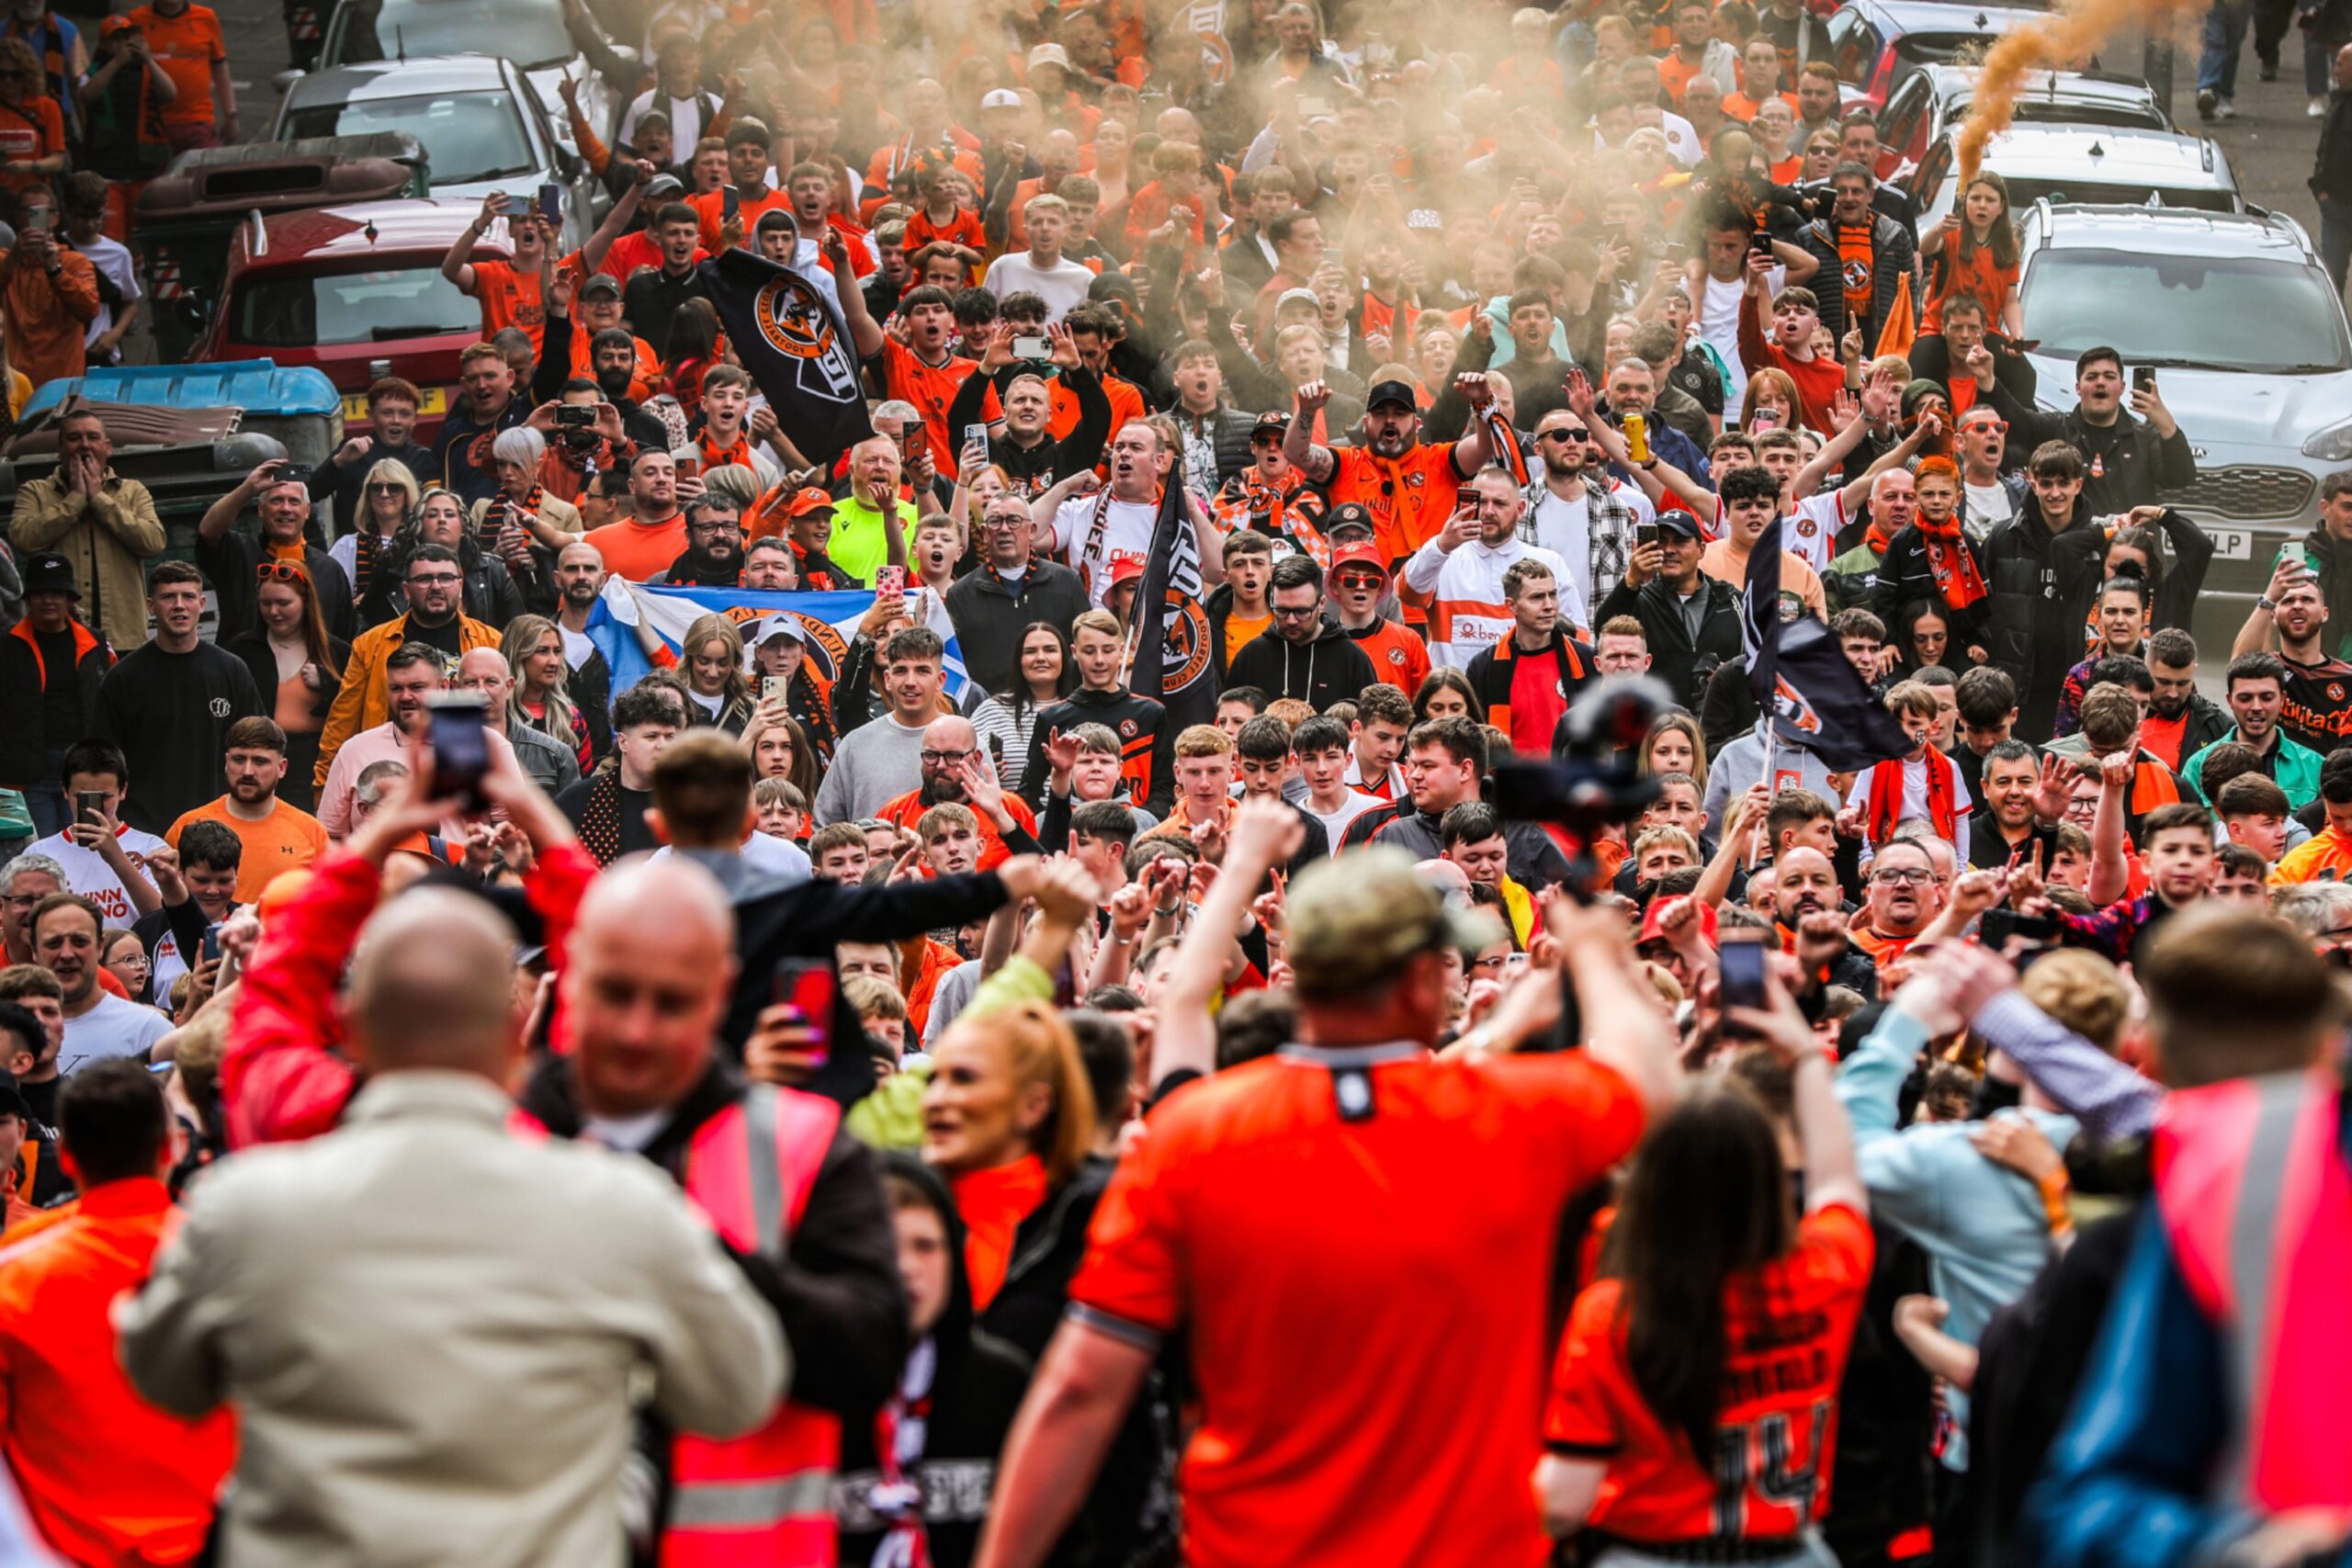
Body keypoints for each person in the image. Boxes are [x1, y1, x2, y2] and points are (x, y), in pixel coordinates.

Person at [972, 849, 1675, 1568]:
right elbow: (1649, 1080)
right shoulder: (1508, 1113)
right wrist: (1595, 955)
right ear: (1422, 979)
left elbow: (1081, 1390)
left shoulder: (1194, 1133)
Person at [118, 869, 787, 1564]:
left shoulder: (245, 1207)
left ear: (353, 1030)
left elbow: (159, 1379)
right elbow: (739, 1392)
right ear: (512, 1035)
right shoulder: (622, 1204)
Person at [1539, 965, 1870, 1563]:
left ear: (1650, 1183)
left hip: (1650, 1554)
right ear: (1770, 1173)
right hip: (1791, 1552)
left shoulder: (1612, 1310)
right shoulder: (1824, 1271)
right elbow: (1839, 1179)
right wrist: (1803, 1050)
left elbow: (1565, 1500)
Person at [0, 1060, 236, 1566]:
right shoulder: (236, 1264)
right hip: (215, 1543)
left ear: (65, 1157)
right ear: (170, 1147)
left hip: (65, 1550)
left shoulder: (14, 1270)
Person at [312, 544, 503, 792]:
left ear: (460, 583)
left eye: (445, 578)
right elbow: (342, 721)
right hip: (388, 777)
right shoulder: (370, 644)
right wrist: (323, 786)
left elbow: (509, 715)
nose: (436, 587)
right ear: (406, 590)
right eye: (424, 579)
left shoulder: (491, 642)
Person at [94, 562, 265, 835]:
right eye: (167, 597)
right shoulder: (123, 678)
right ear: (151, 606)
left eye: (188, 596)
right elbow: (101, 760)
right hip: (144, 830)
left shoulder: (232, 670)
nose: (179, 605)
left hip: (220, 827)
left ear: (202, 602)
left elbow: (258, 748)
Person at [7, 408, 163, 656]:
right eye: (74, 438)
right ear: (59, 449)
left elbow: (154, 542)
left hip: (124, 638)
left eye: (93, 437)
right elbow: (23, 539)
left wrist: (99, 500)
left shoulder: (134, 491)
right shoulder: (35, 492)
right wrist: (76, 500)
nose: (84, 446)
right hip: (59, 637)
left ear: (108, 447)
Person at [222, 554, 348, 811]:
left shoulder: (337, 653)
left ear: (306, 602)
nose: (274, 612)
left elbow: (351, 711)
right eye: (266, 603)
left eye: (283, 603)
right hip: (258, 764)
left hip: (317, 764)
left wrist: (327, 683)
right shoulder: (242, 650)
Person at [164, 717, 329, 903]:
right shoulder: (187, 826)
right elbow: (168, 900)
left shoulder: (311, 832)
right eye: (239, 759)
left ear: (281, 768)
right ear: (227, 762)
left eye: (260, 761)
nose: (248, 771)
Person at [31, 893, 168, 1071]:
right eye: (54, 943)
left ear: (100, 947)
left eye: (79, 942)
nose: (67, 954)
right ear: (34, 950)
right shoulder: (10, 1029)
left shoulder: (148, 1028)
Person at [1226, 555, 1379, 712]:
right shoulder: (1251, 657)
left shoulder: (1351, 658)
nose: (1291, 620)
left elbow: (1371, 723)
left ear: (1321, 604)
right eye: (1282, 610)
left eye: (1301, 611)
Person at [556, 681, 680, 864]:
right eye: (651, 737)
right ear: (623, 742)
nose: (662, 746)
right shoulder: (578, 800)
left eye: (669, 737)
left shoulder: (688, 803)